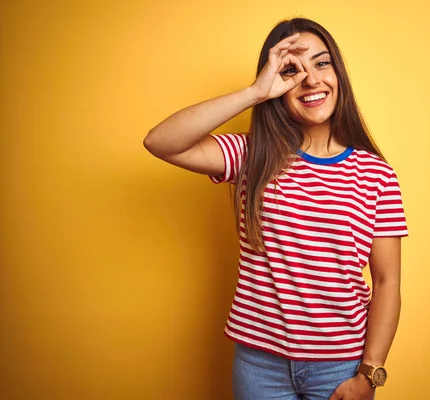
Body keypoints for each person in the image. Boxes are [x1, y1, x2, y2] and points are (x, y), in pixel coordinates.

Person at [144, 17, 408, 400]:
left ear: (338, 73)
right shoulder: (254, 154)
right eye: (291, 70)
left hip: (340, 367)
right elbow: (161, 142)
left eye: (321, 63)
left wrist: (369, 373)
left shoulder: (375, 174)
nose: (311, 80)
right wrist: (255, 92)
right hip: (258, 365)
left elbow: (387, 283)